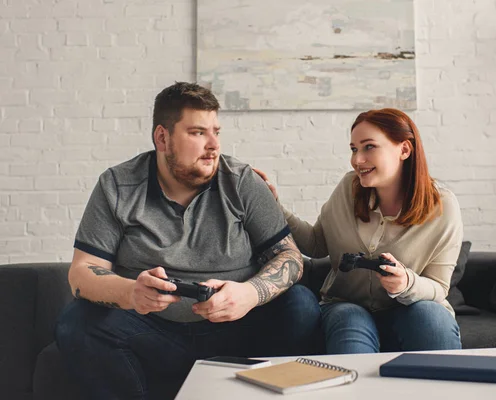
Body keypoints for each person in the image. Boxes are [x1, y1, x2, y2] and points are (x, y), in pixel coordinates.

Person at [55, 82, 321, 400]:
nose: (213, 146)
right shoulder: (118, 185)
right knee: (76, 322)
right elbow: (82, 273)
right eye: (197, 133)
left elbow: (289, 257)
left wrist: (250, 293)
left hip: (237, 330)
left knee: (301, 305)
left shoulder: (242, 181)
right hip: (152, 332)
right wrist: (131, 293)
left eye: (216, 132)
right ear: (162, 138)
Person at [255, 108, 463, 354]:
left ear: (404, 150)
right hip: (347, 304)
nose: (357, 160)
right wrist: (274, 206)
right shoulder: (348, 188)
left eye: (369, 147)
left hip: (410, 308)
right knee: (349, 317)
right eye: (354, 149)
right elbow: (315, 244)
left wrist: (407, 283)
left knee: (430, 314)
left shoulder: (442, 206)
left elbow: (439, 287)